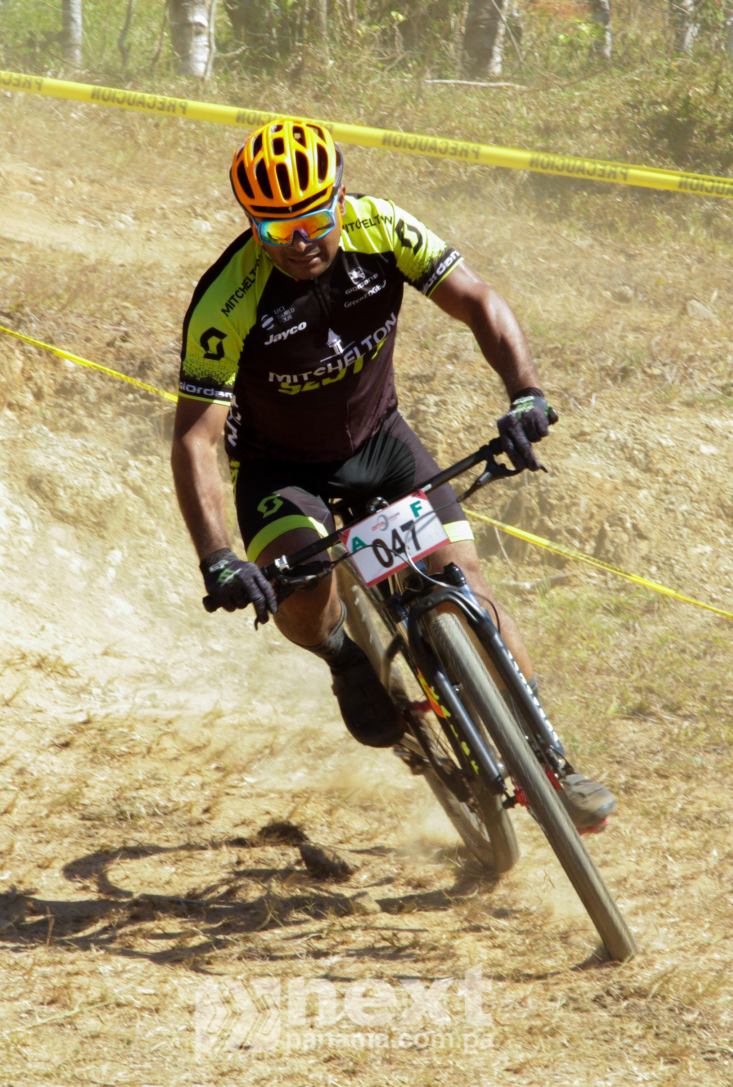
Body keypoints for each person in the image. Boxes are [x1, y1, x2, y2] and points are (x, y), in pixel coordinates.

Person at [169, 118, 616, 830]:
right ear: (252, 226)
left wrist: (524, 392)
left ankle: (552, 764)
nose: (300, 243)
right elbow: (197, 435)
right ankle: (345, 658)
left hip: (380, 442)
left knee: (467, 589)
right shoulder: (227, 299)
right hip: (282, 472)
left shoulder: (380, 228)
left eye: (314, 220)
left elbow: (479, 300)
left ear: (340, 199)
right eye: (276, 230)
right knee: (301, 592)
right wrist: (217, 556)